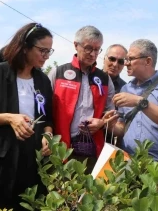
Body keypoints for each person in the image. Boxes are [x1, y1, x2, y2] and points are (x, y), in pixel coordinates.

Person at [0, 22, 54, 210]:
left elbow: (48, 118)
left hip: (30, 165)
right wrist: (9, 118)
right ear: (25, 48)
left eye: (49, 51)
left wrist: (48, 135)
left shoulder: (42, 80)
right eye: (42, 50)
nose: (46, 56)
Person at [48, 25, 117, 174]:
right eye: (88, 48)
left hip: (91, 148)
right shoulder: (58, 73)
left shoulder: (104, 79)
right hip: (59, 148)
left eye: (97, 49)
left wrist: (102, 122)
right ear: (76, 45)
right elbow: (44, 110)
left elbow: (111, 112)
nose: (93, 54)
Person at [111, 39, 158, 161]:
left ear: (148, 61)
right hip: (128, 163)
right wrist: (110, 124)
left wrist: (139, 102)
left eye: (131, 59)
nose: (126, 63)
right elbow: (122, 129)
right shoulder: (125, 88)